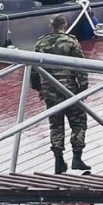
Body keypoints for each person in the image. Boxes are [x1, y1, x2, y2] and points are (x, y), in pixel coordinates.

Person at [30, 14, 91, 174]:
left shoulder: (41, 42)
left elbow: (34, 68)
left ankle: (58, 160)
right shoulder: (71, 42)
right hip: (70, 90)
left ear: (50, 27)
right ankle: (77, 157)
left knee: (56, 124)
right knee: (78, 122)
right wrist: (83, 87)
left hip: (50, 90)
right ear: (65, 26)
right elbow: (81, 66)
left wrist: (38, 88)